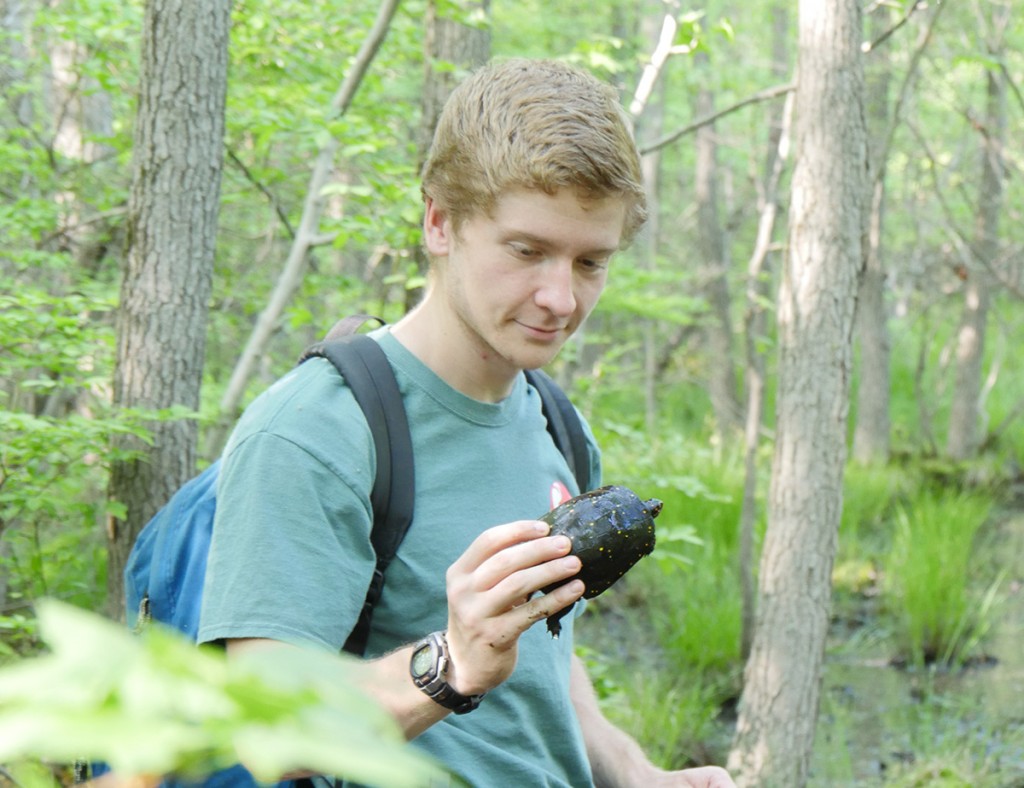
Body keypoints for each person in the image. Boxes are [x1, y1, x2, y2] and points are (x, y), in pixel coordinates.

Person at [197, 58, 736, 788]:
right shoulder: (316, 432)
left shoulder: (559, 427)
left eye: (590, 263)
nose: (560, 298)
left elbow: (547, 663)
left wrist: (637, 773)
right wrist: (450, 663)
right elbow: (269, 726)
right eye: (527, 250)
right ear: (439, 222)